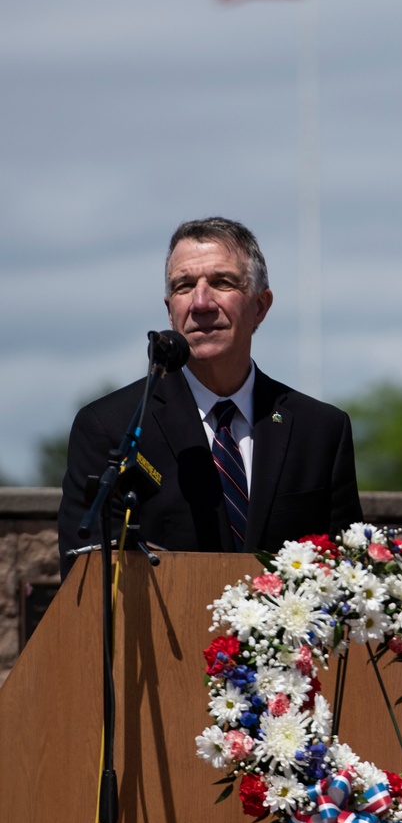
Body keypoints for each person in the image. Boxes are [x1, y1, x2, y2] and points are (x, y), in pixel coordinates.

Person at [58, 217, 363, 577]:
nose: (201, 302)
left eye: (222, 283)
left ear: (260, 306)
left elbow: (348, 578)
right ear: (170, 309)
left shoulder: (320, 430)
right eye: (184, 286)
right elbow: (86, 580)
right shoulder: (111, 427)